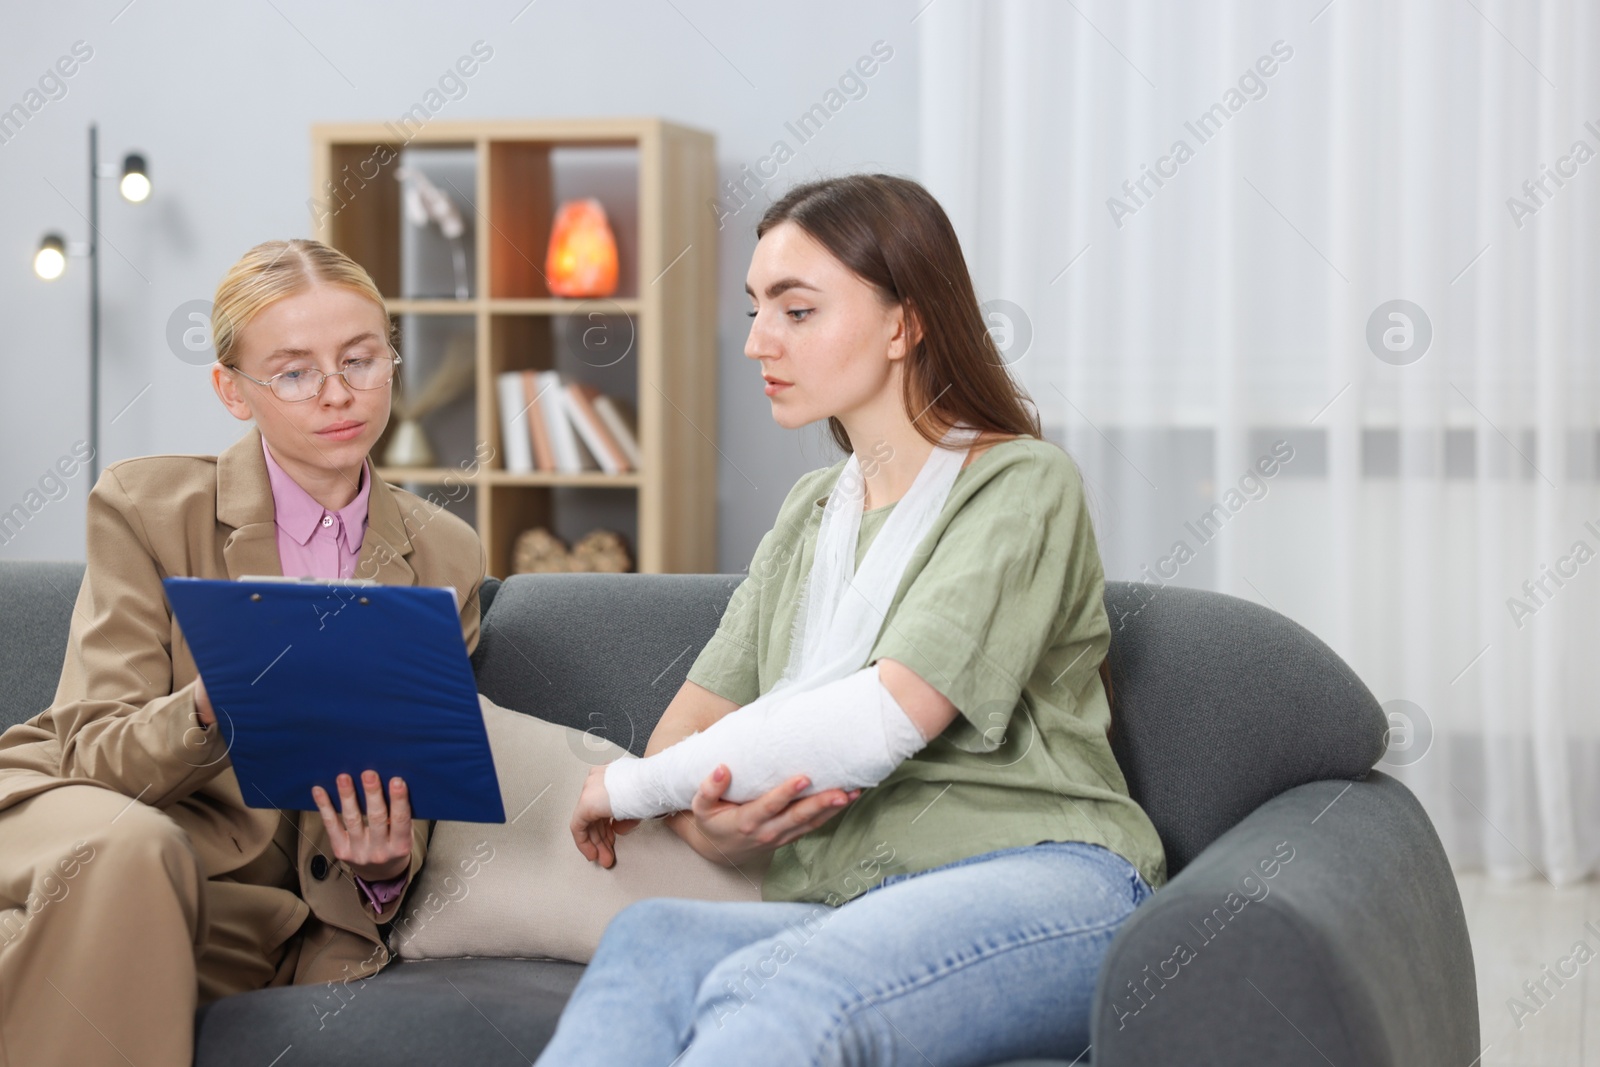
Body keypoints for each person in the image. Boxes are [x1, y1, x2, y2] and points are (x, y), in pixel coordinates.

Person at [539, 174, 1168, 1066]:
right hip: (850, 905)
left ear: (903, 324)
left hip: (1047, 879)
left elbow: (882, 718)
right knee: (650, 945)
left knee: (787, 990)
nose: (759, 341)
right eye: (756, 307)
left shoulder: (1019, 484)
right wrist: (699, 823)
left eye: (796, 311)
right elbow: (689, 733)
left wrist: (633, 792)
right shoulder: (809, 514)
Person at [0, 239, 487, 1067]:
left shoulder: (446, 553)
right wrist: (209, 702)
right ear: (232, 390)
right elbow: (94, 751)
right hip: (79, 811)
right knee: (135, 850)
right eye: (294, 372)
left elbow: (419, 784)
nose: (339, 393)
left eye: (362, 360)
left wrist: (383, 867)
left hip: (243, 908)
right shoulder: (146, 504)